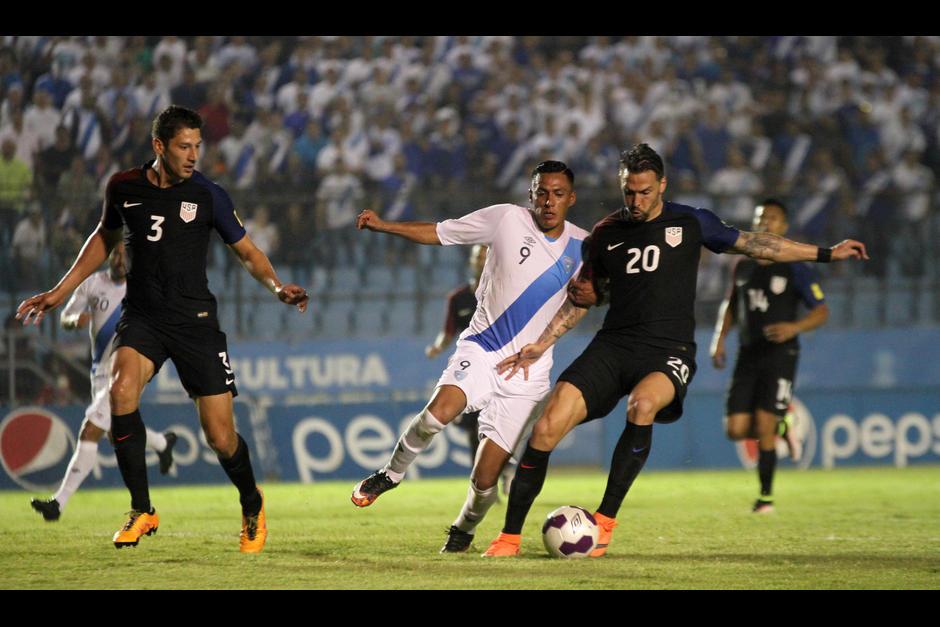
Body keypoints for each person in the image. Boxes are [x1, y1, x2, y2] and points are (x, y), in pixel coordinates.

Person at [485, 144, 867, 557]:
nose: (636, 201)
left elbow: (758, 245)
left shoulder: (691, 221)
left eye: (645, 192)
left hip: (669, 349)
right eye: (629, 191)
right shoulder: (604, 234)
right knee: (545, 426)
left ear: (662, 185)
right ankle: (508, 537)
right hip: (613, 345)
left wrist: (827, 253)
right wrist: (541, 345)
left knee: (642, 405)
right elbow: (584, 298)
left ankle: (606, 521)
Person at [16, 105, 309, 553]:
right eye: (184, 147)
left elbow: (248, 252)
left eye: (197, 146)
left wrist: (276, 287)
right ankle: (142, 510)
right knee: (119, 393)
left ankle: (252, 502)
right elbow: (103, 239)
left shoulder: (209, 195)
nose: (193, 155)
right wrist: (59, 292)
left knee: (221, 438)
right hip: (144, 318)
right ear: (159, 146)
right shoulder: (123, 187)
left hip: (195, 323)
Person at [351, 160, 589, 553]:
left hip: (528, 373)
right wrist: (384, 225)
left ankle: (463, 529)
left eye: (558, 194)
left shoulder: (583, 247)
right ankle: (389, 475)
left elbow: (582, 303)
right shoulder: (505, 219)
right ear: (531, 194)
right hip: (482, 349)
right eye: (542, 192)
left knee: (485, 478)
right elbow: (440, 232)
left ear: (571, 198)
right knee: (436, 414)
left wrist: (544, 343)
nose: (549, 201)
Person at [30, 243, 179, 522]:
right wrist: (75, 321)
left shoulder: (140, 287)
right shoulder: (93, 284)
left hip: (124, 372)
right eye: (116, 254)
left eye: (125, 254)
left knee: (90, 430)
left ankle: (58, 504)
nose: (120, 259)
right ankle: (161, 443)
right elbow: (65, 317)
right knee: (116, 432)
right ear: (109, 255)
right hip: (98, 372)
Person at [710, 199, 829, 513]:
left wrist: (794, 327)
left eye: (773, 219)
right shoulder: (744, 264)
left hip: (780, 354)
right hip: (747, 354)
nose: (765, 223)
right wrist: (718, 340)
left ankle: (765, 498)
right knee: (734, 429)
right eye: (761, 218)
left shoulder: (795, 267)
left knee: (763, 423)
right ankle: (782, 426)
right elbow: (732, 305)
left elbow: (821, 310)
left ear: (784, 227)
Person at [425, 243, 487, 463]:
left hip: (500, 366)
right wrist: (438, 347)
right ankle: (477, 478)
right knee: (473, 427)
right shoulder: (458, 298)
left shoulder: (504, 292)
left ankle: (506, 469)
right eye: (478, 257)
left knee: (499, 424)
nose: (482, 261)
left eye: (486, 256)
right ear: (472, 261)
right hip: (471, 370)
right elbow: (448, 331)